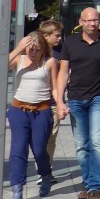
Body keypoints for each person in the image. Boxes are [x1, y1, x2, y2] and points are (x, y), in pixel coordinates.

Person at [56, 7, 100, 199]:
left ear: (99, 21)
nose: (92, 24)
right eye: (88, 21)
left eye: (95, 20)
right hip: (76, 98)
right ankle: (87, 184)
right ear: (80, 22)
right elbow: (63, 73)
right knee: (81, 145)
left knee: (96, 141)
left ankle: (94, 187)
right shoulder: (70, 42)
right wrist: (60, 101)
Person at [6, 31, 58, 199]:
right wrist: (19, 48)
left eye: (37, 50)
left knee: (39, 150)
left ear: (44, 49)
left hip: (41, 112)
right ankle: (17, 188)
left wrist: (61, 104)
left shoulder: (49, 62)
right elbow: (1, 65)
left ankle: (45, 175)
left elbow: (56, 88)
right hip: (18, 110)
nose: (33, 53)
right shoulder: (19, 59)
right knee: (18, 150)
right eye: (30, 50)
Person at [40, 19, 64, 166]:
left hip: (55, 101)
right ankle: (42, 167)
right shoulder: (36, 52)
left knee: (52, 137)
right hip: (38, 101)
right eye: (57, 35)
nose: (60, 38)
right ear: (46, 36)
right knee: (40, 137)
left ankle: (46, 169)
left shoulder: (62, 51)